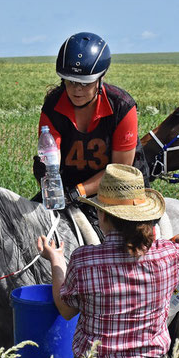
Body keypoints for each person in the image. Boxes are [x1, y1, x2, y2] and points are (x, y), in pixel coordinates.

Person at [37, 164, 179, 358]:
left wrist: (56, 261)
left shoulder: (84, 259)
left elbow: (66, 310)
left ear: (102, 215)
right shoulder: (168, 255)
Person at [33, 32, 150, 226]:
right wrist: (46, 175)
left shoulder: (122, 105)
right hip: (69, 190)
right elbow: (52, 158)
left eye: (85, 83)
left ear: (100, 79)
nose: (77, 89)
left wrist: (77, 192)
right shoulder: (53, 106)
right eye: (70, 82)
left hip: (120, 188)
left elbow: (119, 170)